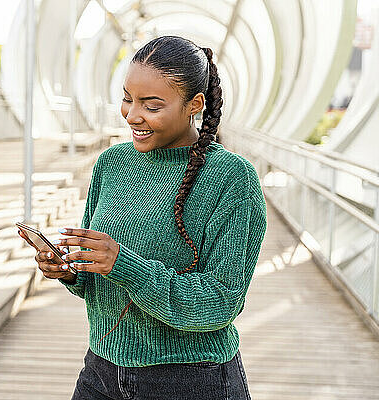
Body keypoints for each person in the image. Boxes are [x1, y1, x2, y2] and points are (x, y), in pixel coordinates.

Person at [18, 35, 266, 400]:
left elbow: (221, 302)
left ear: (194, 105)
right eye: (127, 99)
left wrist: (124, 264)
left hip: (190, 379)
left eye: (151, 105)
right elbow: (98, 279)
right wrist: (71, 271)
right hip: (101, 370)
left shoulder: (232, 178)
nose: (132, 115)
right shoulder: (112, 164)